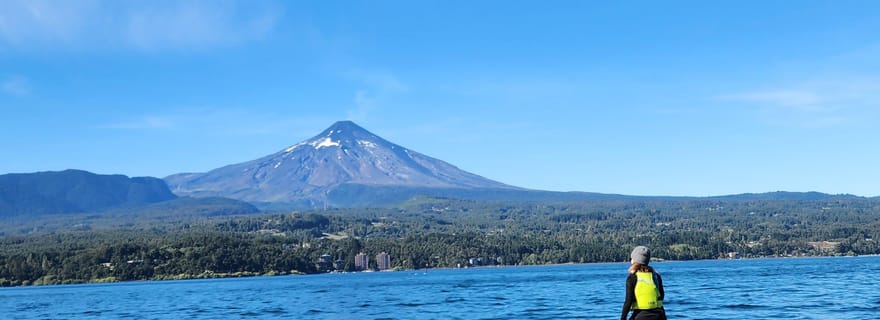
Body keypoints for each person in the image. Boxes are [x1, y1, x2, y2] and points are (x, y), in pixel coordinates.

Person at [620, 246, 666, 320]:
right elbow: (662, 296)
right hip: (660, 315)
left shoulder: (632, 277)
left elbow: (628, 302)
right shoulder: (656, 275)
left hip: (641, 315)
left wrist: (623, 318)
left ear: (634, 260)